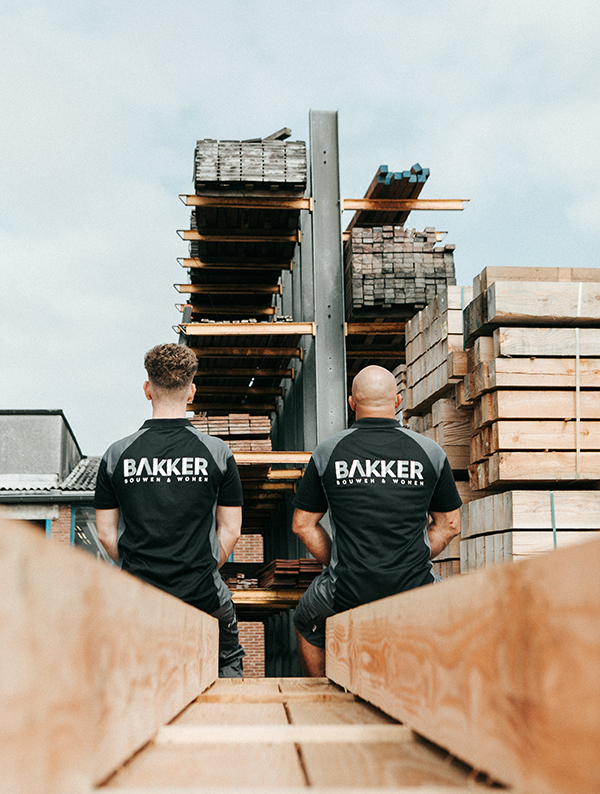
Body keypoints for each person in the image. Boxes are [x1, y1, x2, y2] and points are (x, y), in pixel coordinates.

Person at [292, 365, 462, 676]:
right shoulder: (430, 452)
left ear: (352, 403)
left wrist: (341, 561)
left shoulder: (328, 452)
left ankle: (323, 699)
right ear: (397, 401)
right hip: (415, 584)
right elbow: (450, 525)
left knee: (305, 621)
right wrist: (410, 558)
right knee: (454, 619)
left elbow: (302, 525)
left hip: (347, 587)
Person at [94, 343, 245, 677]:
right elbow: (231, 530)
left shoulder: (117, 454)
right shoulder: (217, 453)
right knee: (225, 662)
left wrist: (142, 563)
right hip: (203, 593)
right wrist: (200, 565)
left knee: (137, 677)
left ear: (147, 389)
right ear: (191, 392)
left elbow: (105, 534)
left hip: (139, 596)